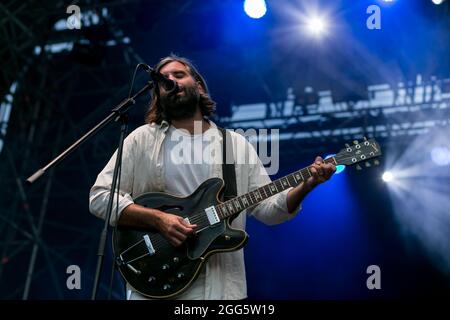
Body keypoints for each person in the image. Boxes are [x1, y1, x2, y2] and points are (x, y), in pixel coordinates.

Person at [89, 55, 336, 300]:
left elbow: (269, 210)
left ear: (198, 85)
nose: (171, 81)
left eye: (179, 75)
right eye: (163, 80)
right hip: (155, 281)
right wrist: (158, 220)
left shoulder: (234, 144)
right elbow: (100, 197)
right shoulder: (141, 139)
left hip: (219, 288)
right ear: (157, 93)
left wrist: (308, 184)